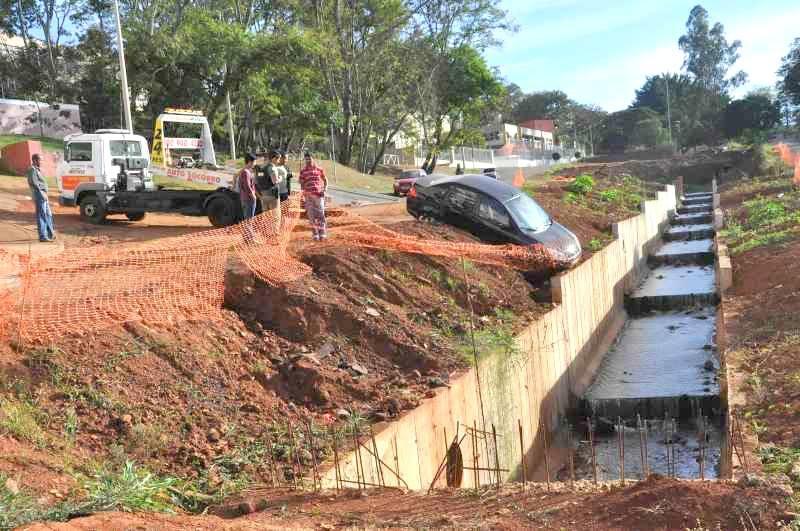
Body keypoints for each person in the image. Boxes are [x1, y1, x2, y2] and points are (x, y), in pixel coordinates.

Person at [26, 154, 55, 242]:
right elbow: (34, 183)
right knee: (42, 215)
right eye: (40, 160)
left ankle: (50, 234)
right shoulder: (32, 170)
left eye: (41, 160)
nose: (41, 162)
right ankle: (43, 236)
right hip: (39, 195)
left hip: (43, 195)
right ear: (34, 160)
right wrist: (42, 193)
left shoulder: (38, 170)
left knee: (48, 214)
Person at [299, 153, 328, 241]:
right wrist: (303, 194)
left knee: (321, 215)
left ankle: (322, 233)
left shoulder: (319, 169)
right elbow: (301, 183)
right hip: (308, 196)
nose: (308, 161)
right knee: (311, 216)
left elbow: (325, 179)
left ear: (313, 159)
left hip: (319, 196)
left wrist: (325, 189)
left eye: (309, 159)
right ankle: (315, 234)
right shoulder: (303, 171)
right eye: (306, 159)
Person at [239, 153, 258, 242]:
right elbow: (247, 186)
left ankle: (247, 238)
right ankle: (250, 239)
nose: (255, 164)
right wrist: (253, 195)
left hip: (245, 199)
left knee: (248, 219)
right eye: (254, 162)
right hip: (248, 199)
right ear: (250, 162)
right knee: (249, 219)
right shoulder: (246, 172)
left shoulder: (245, 171)